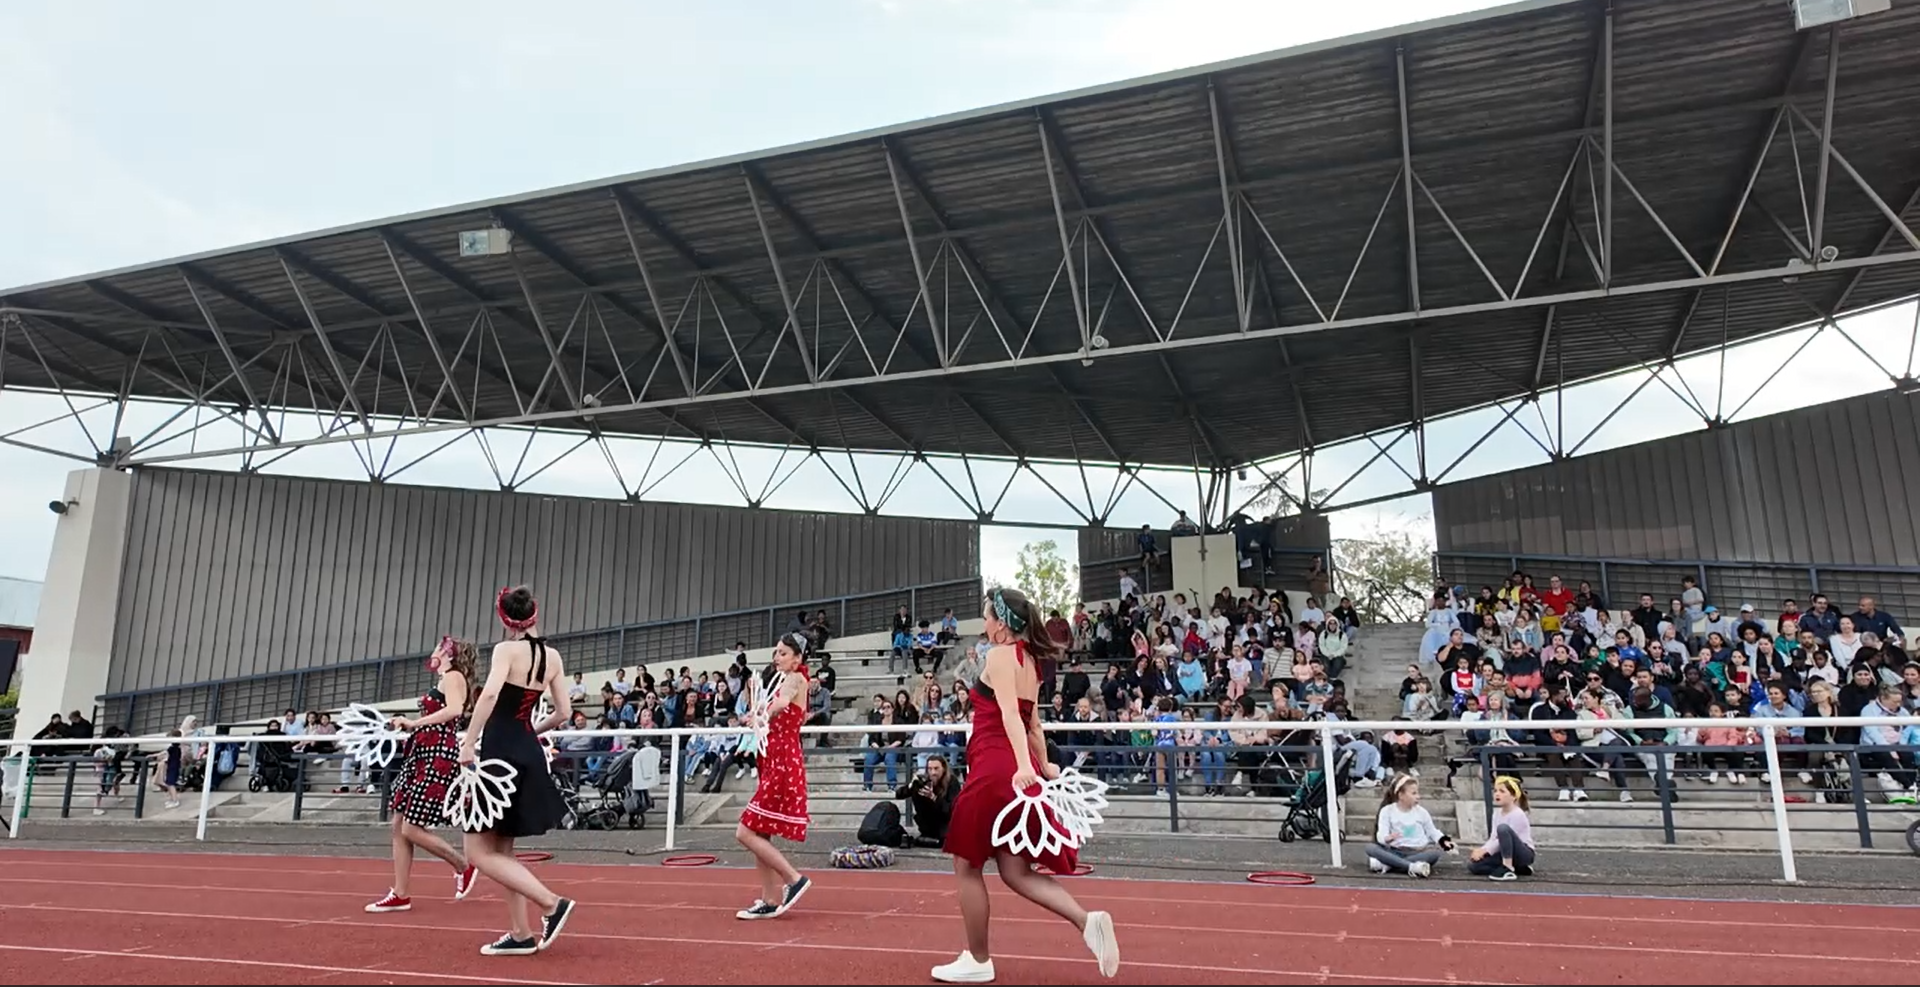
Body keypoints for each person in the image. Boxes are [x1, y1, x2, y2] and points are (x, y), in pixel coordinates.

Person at [934, 587, 1120, 984]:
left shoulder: (998, 656)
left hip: (995, 767)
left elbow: (1010, 718)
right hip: (1016, 766)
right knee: (1015, 871)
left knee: (966, 863)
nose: (983, 623)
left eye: (986, 617)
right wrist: (1044, 765)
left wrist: (1024, 765)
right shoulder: (1032, 662)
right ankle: (1087, 921)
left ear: (1001, 624)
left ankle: (978, 959)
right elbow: (1032, 722)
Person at [457, 586, 576, 956]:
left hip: (500, 750)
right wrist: (530, 734)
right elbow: (563, 712)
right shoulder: (552, 656)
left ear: (504, 618)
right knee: (502, 849)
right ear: (534, 614)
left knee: (476, 849)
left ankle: (551, 903)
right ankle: (521, 933)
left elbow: (490, 695)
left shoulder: (505, 650)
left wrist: (468, 741)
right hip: (525, 748)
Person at [367, 636, 480, 913]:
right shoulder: (444, 680)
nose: (434, 650)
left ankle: (463, 865)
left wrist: (414, 722)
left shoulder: (453, 677)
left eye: (440, 647)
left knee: (410, 827)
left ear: (448, 654)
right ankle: (401, 892)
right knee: (398, 824)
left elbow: (454, 710)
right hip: (421, 753)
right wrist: (408, 725)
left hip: (437, 756)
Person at [734, 631, 815, 920]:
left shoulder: (795, 679)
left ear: (797, 657)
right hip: (774, 759)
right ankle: (769, 898)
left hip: (781, 762)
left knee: (744, 831)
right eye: (776, 652)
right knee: (759, 830)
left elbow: (781, 705)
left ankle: (794, 879)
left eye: (783, 652)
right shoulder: (787, 679)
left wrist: (759, 715)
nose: (777, 657)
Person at [1365, 774, 1453, 877]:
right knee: (1370, 848)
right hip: (1395, 851)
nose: (1418, 796)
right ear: (1401, 795)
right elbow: (1381, 834)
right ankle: (1411, 867)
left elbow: (1432, 831)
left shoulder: (1421, 812)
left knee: (1434, 854)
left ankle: (1389, 865)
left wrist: (1444, 842)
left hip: (1417, 852)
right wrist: (1387, 838)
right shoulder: (1387, 811)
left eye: (1417, 793)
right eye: (1414, 793)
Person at [1468, 775, 1535, 881]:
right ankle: (1519, 868)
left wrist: (1486, 851)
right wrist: (1482, 850)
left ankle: (1508, 868)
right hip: (1504, 852)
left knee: (1503, 829)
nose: (1497, 794)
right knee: (1475, 867)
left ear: (1513, 796)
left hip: (1523, 853)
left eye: (1502, 791)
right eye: (1495, 791)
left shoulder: (1518, 814)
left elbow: (1503, 839)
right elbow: (1493, 838)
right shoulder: (1497, 813)